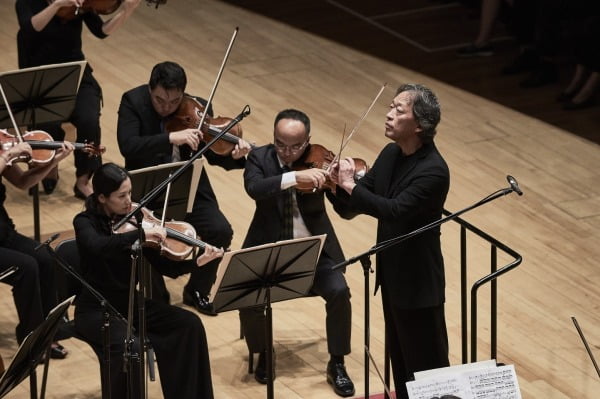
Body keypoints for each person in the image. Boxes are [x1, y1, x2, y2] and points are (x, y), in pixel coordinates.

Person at [331, 84, 451, 399]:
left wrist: (350, 187)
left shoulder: (434, 171)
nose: (388, 115)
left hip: (419, 285)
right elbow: (358, 203)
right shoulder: (390, 154)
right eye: (390, 107)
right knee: (402, 367)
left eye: (399, 110)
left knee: (429, 373)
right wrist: (335, 187)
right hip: (393, 278)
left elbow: (394, 211)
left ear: (420, 124)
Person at [73, 162, 222, 399]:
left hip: (131, 304)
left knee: (189, 324)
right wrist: (140, 234)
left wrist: (197, 263)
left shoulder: (135, 219)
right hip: (96, 309)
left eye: (130, 193)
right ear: (101, 197)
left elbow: (166, 267)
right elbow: (99, 247)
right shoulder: (84, 223)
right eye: (121, 196)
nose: (129, 201)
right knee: (128, 348)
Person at [117, 61, 252, 315]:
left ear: (183, 94)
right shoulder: (133, 102)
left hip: (189, 185)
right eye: (159, 100)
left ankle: (197, 290)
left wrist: (234, 155)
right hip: (147, 189)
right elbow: (128, 145)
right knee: (146, 238)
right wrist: (169, 138)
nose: (166, 108)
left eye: (173, 101)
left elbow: (213, 155)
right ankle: (155, 295)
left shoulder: (198, 108)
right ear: (150, 89)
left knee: (220, 231)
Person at [239, 109, 355, 397]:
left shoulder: (319, 162)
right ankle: (264, 351)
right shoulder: (260, 158)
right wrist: (293, 176)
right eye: (280, 144)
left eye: (295, 146)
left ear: (308, 142)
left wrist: (345, 184)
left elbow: (347, 211)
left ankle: (337, 362)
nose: (287, 152)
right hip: (269, 250)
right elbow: (255, 188)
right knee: (247, 295)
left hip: (315, 252)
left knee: (339, 291)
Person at [15, 0, 141, 198]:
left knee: (89, 120)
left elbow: (101, 31)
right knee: (48, 121)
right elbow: (30, 28)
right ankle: (48, 169)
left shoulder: (79, 5)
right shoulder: (28, 2)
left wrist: (127, 10)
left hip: (76, 74)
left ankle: (83, 179)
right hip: (40, 76)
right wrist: (56, 5)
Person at [0, 140, 74, 358]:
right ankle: (30, 342)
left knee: (45, 257)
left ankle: (48, 334)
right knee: (25, 267)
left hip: (3, 230)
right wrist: (8, 154)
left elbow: (23, 181)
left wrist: (53, 162)